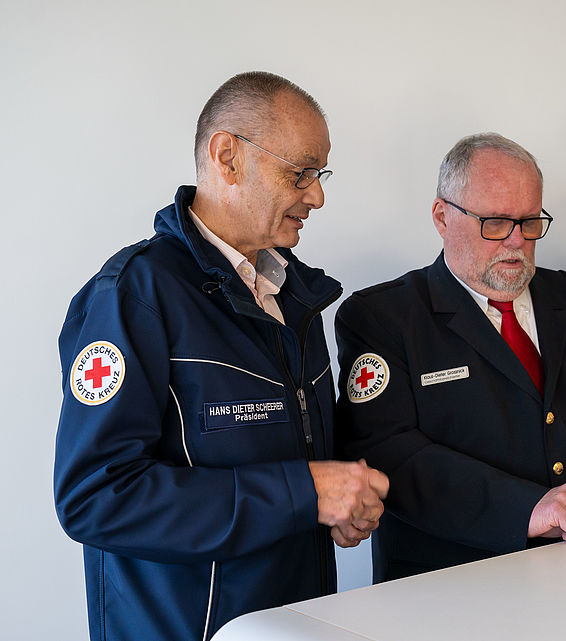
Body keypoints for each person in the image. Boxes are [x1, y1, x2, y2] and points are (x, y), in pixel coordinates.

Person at [54, 72, 389, 641]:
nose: (317, 196)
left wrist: (342, 499)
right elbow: (96, 497)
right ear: (228, 157)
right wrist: (304, 492)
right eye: (300, 172)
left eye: (320, 174)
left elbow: (295, 460)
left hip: (294, 625)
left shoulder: (295, 295)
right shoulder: (133, 296)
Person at [334, 133, 566, 583]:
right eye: (495, 222)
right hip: (451, 585)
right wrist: (525, 507)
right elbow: (387, 452)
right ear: (442, 217)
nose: (516, 240)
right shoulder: (384, 316)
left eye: (529, 222)